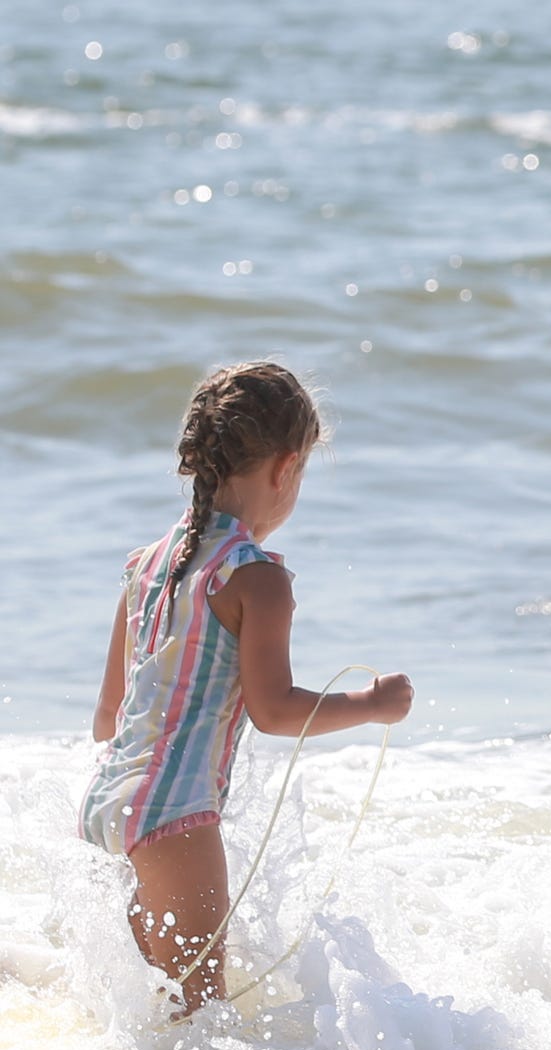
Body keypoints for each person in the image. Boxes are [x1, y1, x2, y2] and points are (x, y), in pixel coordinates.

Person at [79, 362, 414, 1014]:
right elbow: (275, 711)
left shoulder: (146, 564)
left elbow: (107, 718)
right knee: (197, 1015)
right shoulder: (257, 579)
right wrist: (372, 706)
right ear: (286, 468)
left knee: (144, 1003)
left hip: (107, 804)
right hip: (174, 816)